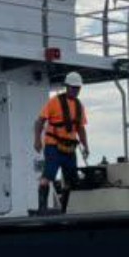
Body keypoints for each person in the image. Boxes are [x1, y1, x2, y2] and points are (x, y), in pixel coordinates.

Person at [34, 71, 89, 213]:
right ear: (67, 86)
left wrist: (85, 146)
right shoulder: (54, 102)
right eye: (73, 87)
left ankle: (65, 211)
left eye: (78, 88)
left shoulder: (79, 106)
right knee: (47, 176)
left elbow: (81, 128)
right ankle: (42, 209)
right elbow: (40, 121)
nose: (76, 90)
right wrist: (37, 140)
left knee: (71, 181)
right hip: (53, 146)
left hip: (70, 148)